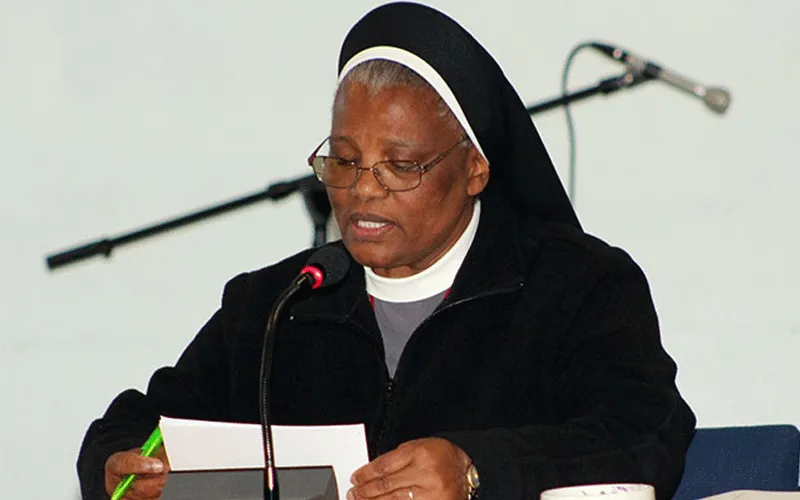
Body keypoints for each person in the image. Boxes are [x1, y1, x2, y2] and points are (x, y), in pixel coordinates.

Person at [78, 3, 696, 499]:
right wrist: (119, 467)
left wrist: (475, 469)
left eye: (400, 165)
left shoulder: (577, 286)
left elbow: (643, 434)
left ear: (476, 167)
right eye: (343, 161)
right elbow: (139, 425)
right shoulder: (273, 307)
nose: (361, 190)